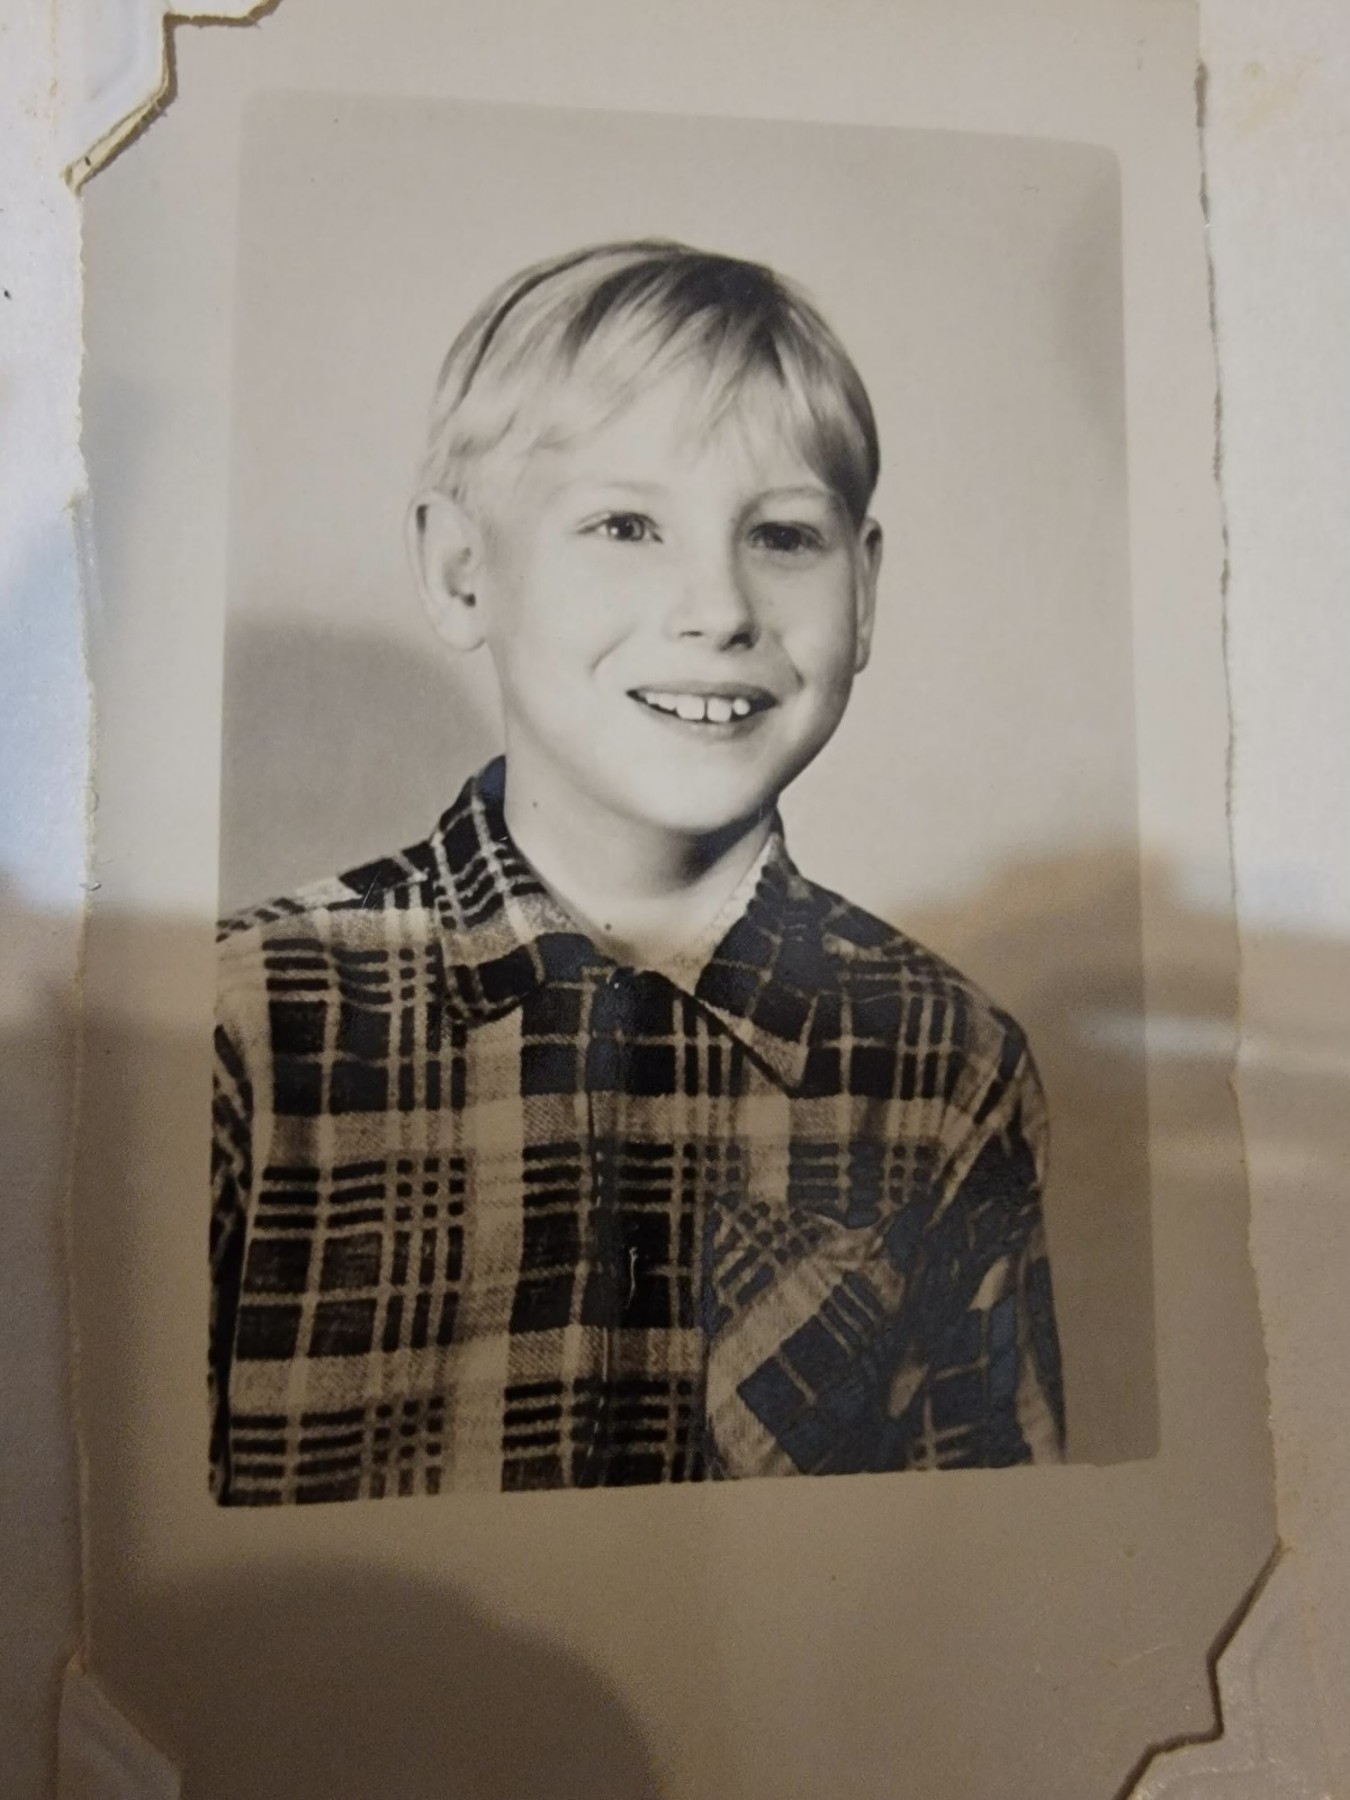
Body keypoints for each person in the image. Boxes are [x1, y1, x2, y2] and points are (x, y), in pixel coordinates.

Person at [211, 239, 1065, 1506]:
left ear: (866, 590)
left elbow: (989, 1561)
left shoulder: (950, 1066)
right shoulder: (246, 1025)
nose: (718, 608)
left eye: (783, 536)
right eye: (626, 525)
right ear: (460, 570)